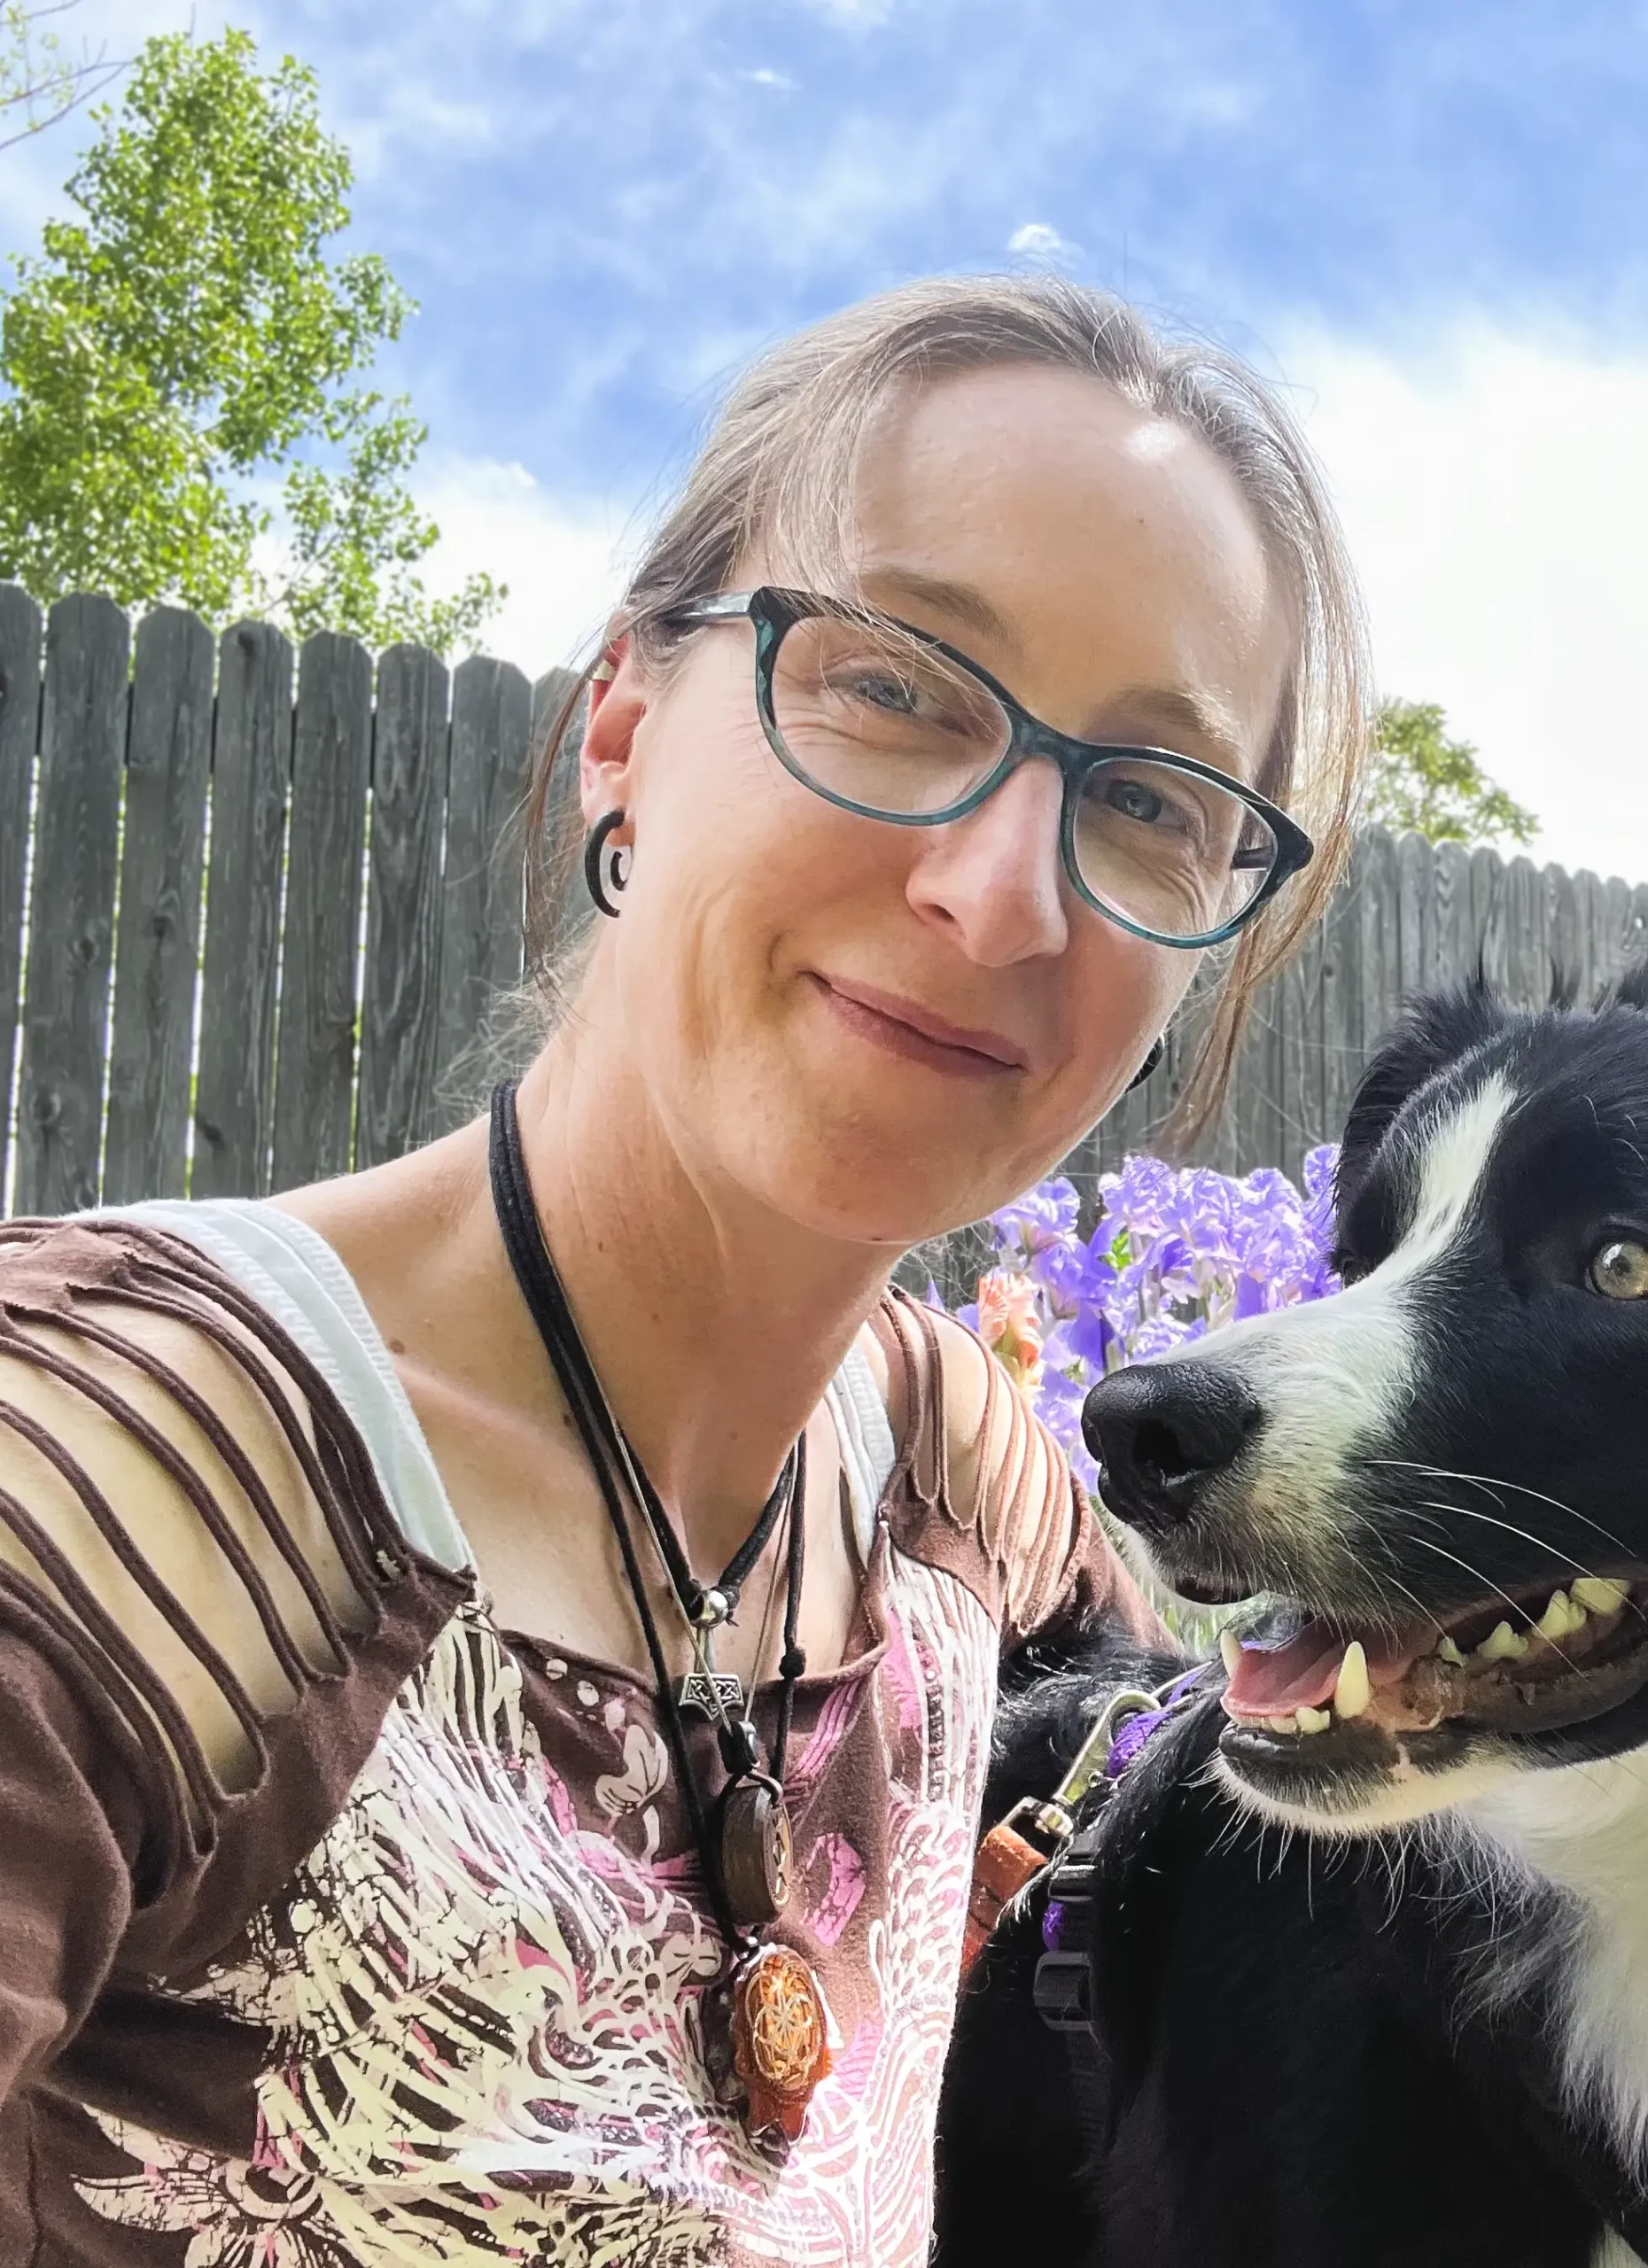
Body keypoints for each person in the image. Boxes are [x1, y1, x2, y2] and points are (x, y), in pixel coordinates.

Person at [0, 275, 1369, 2264]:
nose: (996, 893)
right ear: (623, 723)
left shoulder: (946, 1474)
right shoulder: (113, 1491)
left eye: (1149, 800)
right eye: (895, 683)